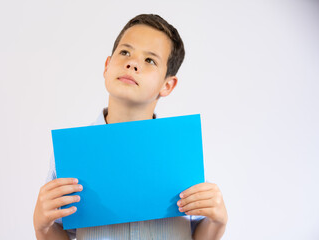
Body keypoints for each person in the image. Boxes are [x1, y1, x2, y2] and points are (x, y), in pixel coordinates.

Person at [33, 14, 228, 240]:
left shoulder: (183, 153)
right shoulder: (72, 154)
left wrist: (218, 221)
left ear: (167, 85)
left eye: (150, 60)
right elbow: (59, 227)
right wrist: (43, 227)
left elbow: (197, 233)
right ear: (107, 66)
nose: (132, 63)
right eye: (125, 52)